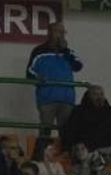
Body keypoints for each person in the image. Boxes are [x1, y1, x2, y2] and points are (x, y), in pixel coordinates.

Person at [25, 22, 82, 156]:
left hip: (67, 99)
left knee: (67, 131)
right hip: (47, 98)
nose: (61, 35)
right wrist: (38, 77)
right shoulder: (38, 51)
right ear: (49, 33)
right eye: (58, 32)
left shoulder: (69, 52)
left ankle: (67, 158)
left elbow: (78, 66)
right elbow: (29, 73)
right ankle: (40, 159)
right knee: (45, 130)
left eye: (63, 32)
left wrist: (66, 51)